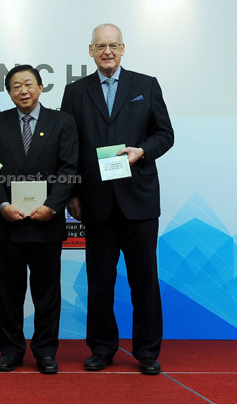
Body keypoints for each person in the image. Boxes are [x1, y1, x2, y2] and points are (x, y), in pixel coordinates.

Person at [60, 23, 174, 375]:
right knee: (99, 280)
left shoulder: (146, 85)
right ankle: (103, 348)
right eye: (100, 46)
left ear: (123, 48)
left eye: (113, 45)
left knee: (144, 279)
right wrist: (74, 191)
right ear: (90, 50)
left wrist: (143, 151)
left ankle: (147, 352)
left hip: (138, 200)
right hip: (95, 201)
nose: (107, 52)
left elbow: (165, 134)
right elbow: (70, 145)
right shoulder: (75, 91)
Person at [0, 64, 78, 374]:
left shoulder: (62, 122)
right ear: (9, 92)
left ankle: (45, 351)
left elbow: (68, 168)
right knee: (9, 294)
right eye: (15, 86)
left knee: (47, 294)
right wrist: (1, 205)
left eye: (28, 84)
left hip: (46, 223)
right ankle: (10, 350)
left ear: (40, 87)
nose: (23, 90)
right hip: (8, 222)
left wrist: (52, 206)